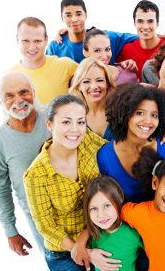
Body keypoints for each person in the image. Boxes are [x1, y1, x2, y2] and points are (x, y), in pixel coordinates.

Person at [24, 94, 107, 271]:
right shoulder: (36, 175)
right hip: (63, 253)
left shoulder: (88, 140)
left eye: (80, 122)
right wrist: (82, 250)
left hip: (99, 235)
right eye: (66, 122)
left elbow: (115, 152)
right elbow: (45, 226)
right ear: (49, 125)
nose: (75, 129)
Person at [0, 72, 50, 256]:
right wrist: (10, 231)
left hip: (79, 212)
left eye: (24, 92)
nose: (19, 100)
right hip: (40, 223)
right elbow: (1, 188)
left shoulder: (54, 117)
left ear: (33, 91)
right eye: (9, 95)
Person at [98, 82, 165, 203]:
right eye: (139, 113)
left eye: (154, 115)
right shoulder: (105, 156)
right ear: (125, 114)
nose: (148, 121)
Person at [46, 0, 138, 63]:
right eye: (68, 15)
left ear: (86, 15)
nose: (74, 19)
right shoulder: (55, 46)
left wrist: (119, 65)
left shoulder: (104, 38)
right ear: (62, 18)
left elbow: (140, 37)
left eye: (78, 14)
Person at [10, 16, 78, 105]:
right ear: (17, 40)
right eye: (26, 41)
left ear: (46, 40)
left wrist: (72, 33)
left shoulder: (65, 65)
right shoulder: (10, 76)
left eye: (37, 41)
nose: (32, 47)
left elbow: (96, 74)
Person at [82, 176, 144, 271]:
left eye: (107, 205)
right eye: (94, 208)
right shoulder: (93, 234)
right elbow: (80, 255)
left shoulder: (133, 232)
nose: (101, 215)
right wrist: (89, 253)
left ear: (119, 201)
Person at [116, 0, 165, 79]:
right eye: (140, 21)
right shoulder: (126, 50)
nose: (145, 26)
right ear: (134, 23)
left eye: (150, 21)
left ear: (158, 23)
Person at [69, 57, 116, 141]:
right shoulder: (72, 117)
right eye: (86, 81)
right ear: (79, 86)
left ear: (107, 83)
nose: (94, 87)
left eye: (99, 80)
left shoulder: (120, 112)